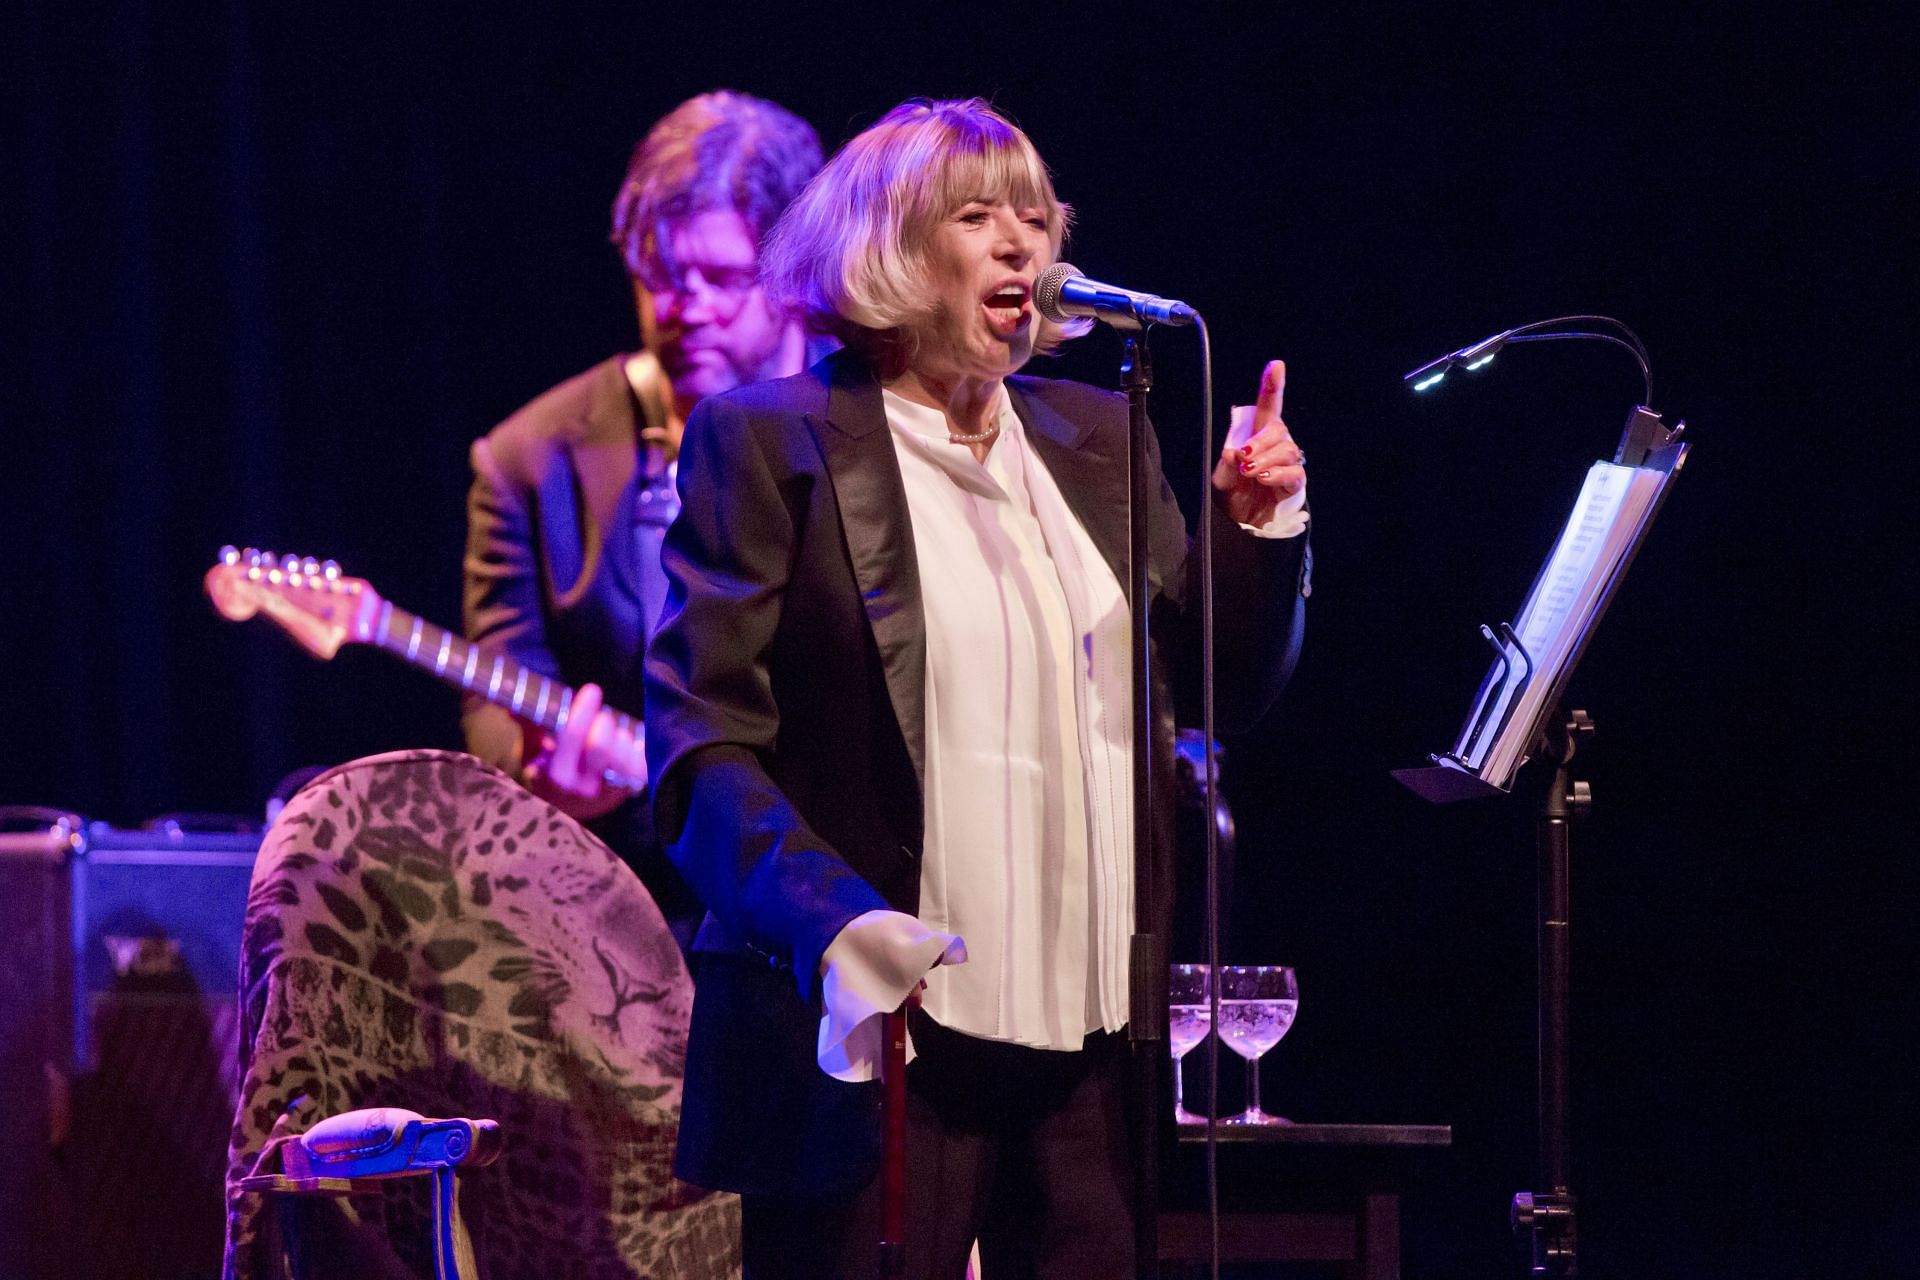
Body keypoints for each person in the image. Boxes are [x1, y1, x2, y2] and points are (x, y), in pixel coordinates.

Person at [643, 98, 1313, 1278]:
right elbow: (702, 749)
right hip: (888, 1047)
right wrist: (833, 921)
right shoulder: (769, 442)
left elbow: (1221, 691)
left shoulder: (1102, 437)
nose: (1023, 244)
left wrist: (1255, 531)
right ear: (891, 249)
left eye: (1036, 217)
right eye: (976, 215)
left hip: (1091, 1054)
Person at [461, 91, 823, 950]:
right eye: (657, 274)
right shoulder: (526, 459)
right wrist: (548, 779)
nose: (681, 305)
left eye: (722, 278)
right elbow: (492, 698)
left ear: (792, 271)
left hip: (836, 906)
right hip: (620, 921)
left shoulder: (872, 419)